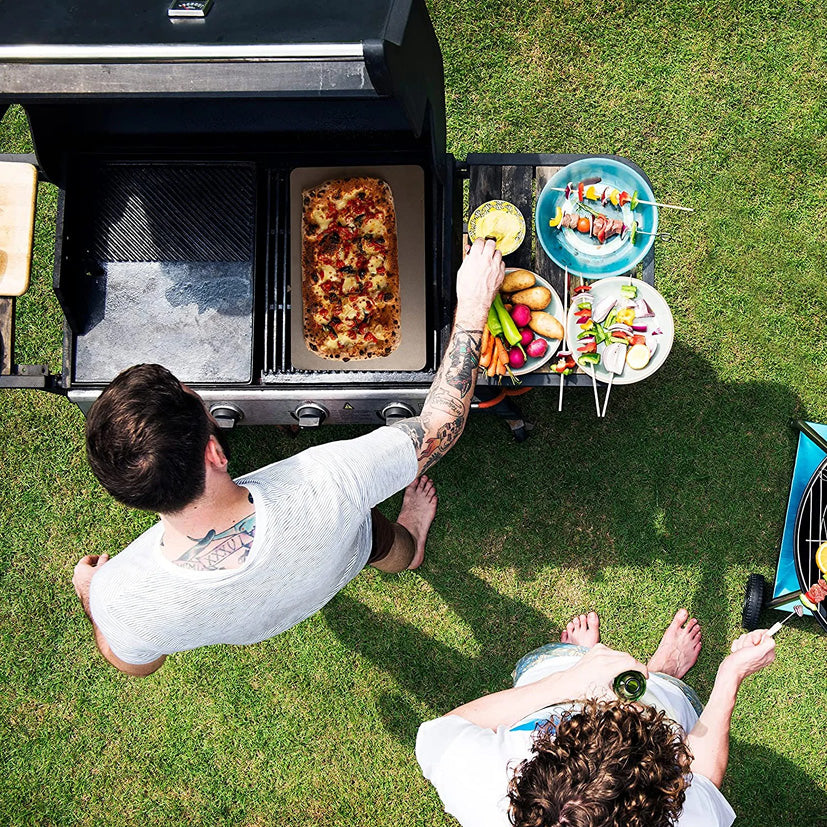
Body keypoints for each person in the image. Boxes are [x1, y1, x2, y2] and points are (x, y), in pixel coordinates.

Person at [71, 238, 505, 677]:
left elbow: (137, 664)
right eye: (199, 402)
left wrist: (93, 595)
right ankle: (410, 547)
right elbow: (437, 429)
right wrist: (472, 305)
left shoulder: (121, 598)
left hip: (272, 612)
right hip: (344, 548)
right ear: (214, 452)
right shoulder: (329, 482)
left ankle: (406, 550)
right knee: (383, 540)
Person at [417, 609, 776, 827]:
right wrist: (730, 675)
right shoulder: (688, 819)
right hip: (656, 717)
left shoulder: (480, 784)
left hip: (554, 694)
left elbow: (442, 732)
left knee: (543, 665)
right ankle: (663, 675)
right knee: (670, 700)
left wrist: (569, 679)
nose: (614, 705)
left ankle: (580, 660)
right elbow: (703, 780)